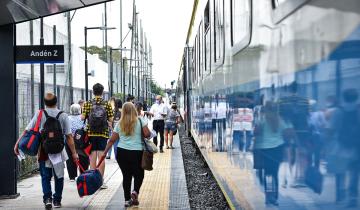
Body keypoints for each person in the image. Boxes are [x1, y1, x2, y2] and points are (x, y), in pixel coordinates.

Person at [14, 93, 78, 209]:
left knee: (45, 176)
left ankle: (47, 199)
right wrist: (74, 153)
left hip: (44, 150)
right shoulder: (63, 115)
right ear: (56, 102)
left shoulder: (40, 113)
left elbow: (27, 130)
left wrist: (17, 143)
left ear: (44, 102)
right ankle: (57, 200)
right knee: (59, 176)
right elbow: (69, 136)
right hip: (59, 151)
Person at [102, 102, 151, 207]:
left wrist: (104, 153)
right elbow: (147, 134)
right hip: (137, 152)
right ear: (134, 109)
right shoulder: (140, 120)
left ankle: (127, 200)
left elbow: (111, 140)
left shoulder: (120, 123)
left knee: (126, 176)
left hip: (122, 152)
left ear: (123, 111)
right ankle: (135, 191)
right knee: (139, 174)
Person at [253, 101, 293, 206]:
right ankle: (274, 197)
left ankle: (268, 196)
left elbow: (256, 132)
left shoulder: (262, 120)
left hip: (265, 150)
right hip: (278, 149)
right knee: (275, 173)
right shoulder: (280, 120)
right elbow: (287, 133)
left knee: (267, 173)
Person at [81, 83, 113, 188]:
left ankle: (93, 182)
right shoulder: (107, 104)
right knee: (101, 157)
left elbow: (82, 117)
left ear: (93, 92)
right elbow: (111, 119)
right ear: (102, 92)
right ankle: (101, 182)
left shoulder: (88, 103)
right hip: (103, 134)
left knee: (92, 157)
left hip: (90, 133)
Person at [67, 103, 90, 177]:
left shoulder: (68, 118)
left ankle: (72, 176)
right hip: (81, 140)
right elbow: (86, 128)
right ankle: (83, 172)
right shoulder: (82, 118)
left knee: (70, 158)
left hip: (70, 139)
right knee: (83, 157)